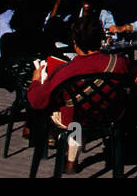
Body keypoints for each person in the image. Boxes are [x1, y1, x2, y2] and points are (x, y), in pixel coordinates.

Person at [27, 15, 129, 172]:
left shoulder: (67, 71)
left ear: (75, 43)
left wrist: (35, 81)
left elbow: (37, 102)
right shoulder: (119, 62)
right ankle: (71, 160)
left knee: (66, 110)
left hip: (76, 119)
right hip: (110, 115)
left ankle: (63, 154)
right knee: (79, 106)